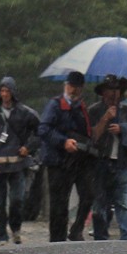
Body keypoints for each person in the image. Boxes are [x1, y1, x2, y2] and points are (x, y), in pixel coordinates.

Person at [0, 76, 40, 244]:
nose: (5, 95)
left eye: (7, 91)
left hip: (17, 163)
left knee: (17, 200)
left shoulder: (25, 113)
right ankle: (1, 234)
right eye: (2, 91)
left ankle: (15, 228)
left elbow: (40, 131)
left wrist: (28, 147)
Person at [38, 71, 96, 242]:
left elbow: (85, 131)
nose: (73, 90)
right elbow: (43, 130)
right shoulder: (55, 105)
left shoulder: (81, 107)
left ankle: (76, 229)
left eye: (77, 87)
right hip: (58, 160)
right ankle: (57, 241)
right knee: (59, 205)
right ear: (66, 85)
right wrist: (63, 142)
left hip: (78, 160)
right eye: (71, 86)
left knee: (88, 195)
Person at [87, 75, 127, 240]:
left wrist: (123, 129)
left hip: (123, 162)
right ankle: (100, 236)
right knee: (99, 203)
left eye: (116, 90)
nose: (113, 94)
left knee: (123, 201)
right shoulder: (94, 110)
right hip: (100, 162)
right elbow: (92, 137)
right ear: (103, 92)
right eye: (110, 90)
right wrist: (105, 119)